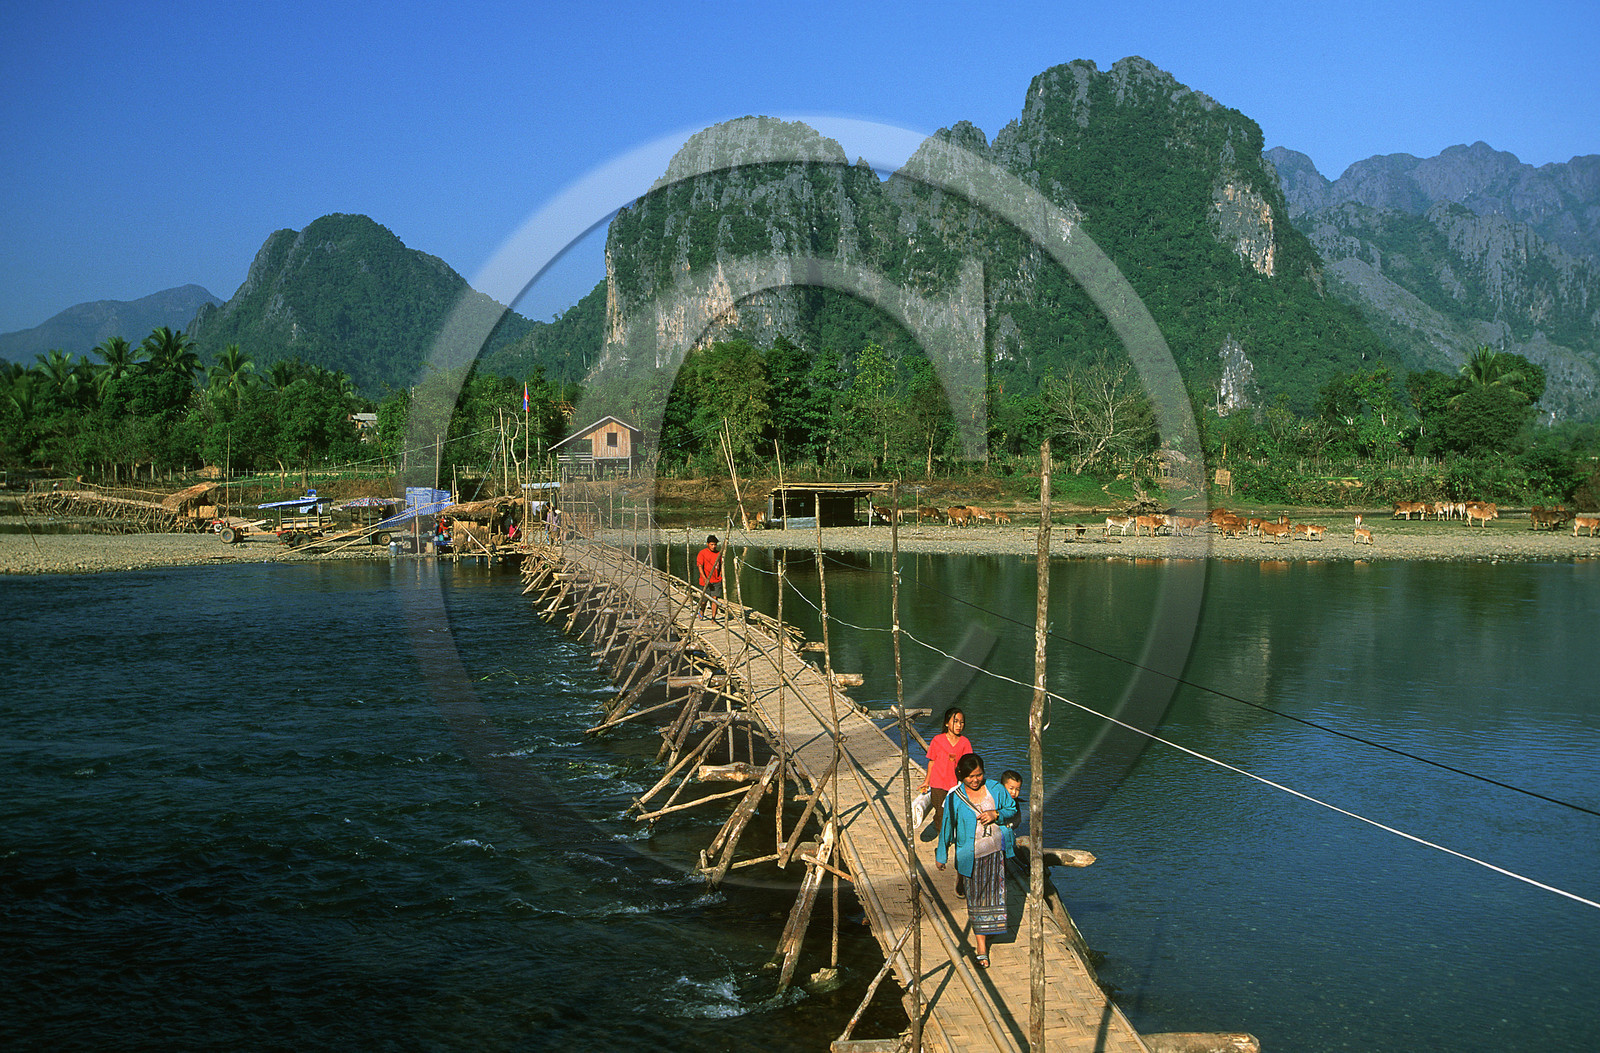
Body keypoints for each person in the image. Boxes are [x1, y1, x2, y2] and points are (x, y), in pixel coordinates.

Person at [935, 753, 1017, 968]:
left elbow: (1012, 809)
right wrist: (941, 855)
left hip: (996, 853)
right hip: (970, 855)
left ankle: (988, 929)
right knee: (976, 898)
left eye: (979, 775)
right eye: (970, 776)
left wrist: (996, 814)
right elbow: (947, 826)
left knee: (995, 895)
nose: (975, 780)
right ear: (961, 775)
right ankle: (981, 945)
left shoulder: (997, 790)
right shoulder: (955, 798)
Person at [918, 707, 972, 843]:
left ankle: (942, 825)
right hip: (938, 784)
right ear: (947, 723)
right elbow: (932, 762)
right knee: (941, 812)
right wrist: (926, 781)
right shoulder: (937, 740)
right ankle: (943, 840)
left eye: (961, 722)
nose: (959, 725)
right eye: (955, 722)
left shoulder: (965, 743)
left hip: (955, 785)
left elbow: (968, 765)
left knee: (954, 812)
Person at [695, 535, 723, 619]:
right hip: (705, 581)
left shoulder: (718, 554)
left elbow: (721, 566)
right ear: (707, 544)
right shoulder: (702, 553)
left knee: (715, 599)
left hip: (716, 580)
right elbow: (700, 567)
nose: (714, 546)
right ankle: (702, 610)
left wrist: (720, 576)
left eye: (715, 544)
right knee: (704, 601)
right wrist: (705, 578)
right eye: (712, 544)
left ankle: (713, 618)